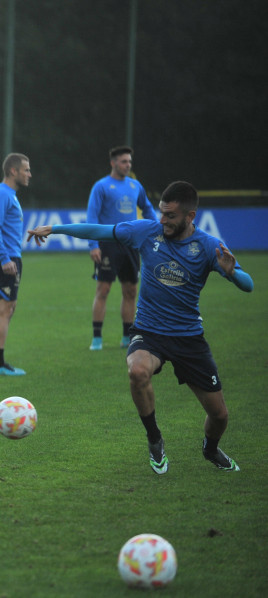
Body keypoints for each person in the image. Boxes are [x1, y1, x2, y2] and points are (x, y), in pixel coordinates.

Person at [27, 181, 252, 474]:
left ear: (190, 216)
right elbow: (99, 230)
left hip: (188, 338)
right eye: (162, 213)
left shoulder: (208, 246)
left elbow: (248, 285)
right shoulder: (147, 231)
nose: (163, 220)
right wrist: (55, 229)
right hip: (149, 331)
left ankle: (210, 450)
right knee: (137, 371)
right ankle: (154, 439)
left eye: (171, 215)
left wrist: (232, 273)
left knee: (220, 415)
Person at [86, 146, 158, 350]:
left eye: (129, 162)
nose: (128, 165)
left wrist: (157, 229)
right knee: (103, 289)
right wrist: (93, 245)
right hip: (108, 245)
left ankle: (127, 337)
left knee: (130, 290)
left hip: (131, 244)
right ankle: (97, 339)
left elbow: (147, 208)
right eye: (124, 161)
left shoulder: (135, 186)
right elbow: (92, 216)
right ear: (113, 163)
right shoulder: (101, 186)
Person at [0, 153, 31, 376]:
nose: (29, 174)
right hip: (6, 258)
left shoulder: (4, 192)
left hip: (9, 256)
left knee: (9, 307)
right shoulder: (2, 193)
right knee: (3, 309)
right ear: (14, 171)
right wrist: (4, 259)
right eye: (26, 170)